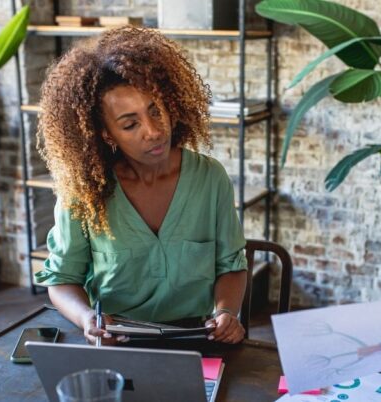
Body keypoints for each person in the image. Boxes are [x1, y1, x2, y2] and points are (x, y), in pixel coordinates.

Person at [34, 27, 248, 345]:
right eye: (130, 124)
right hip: (117, 339)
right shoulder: (85, 192)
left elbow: (231, 265)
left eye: (155, 111)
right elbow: (62, 280)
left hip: (196, 337)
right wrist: (86, 319)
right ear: (106, 135)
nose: (153, 131)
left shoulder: (210, 179)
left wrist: (226, 312)